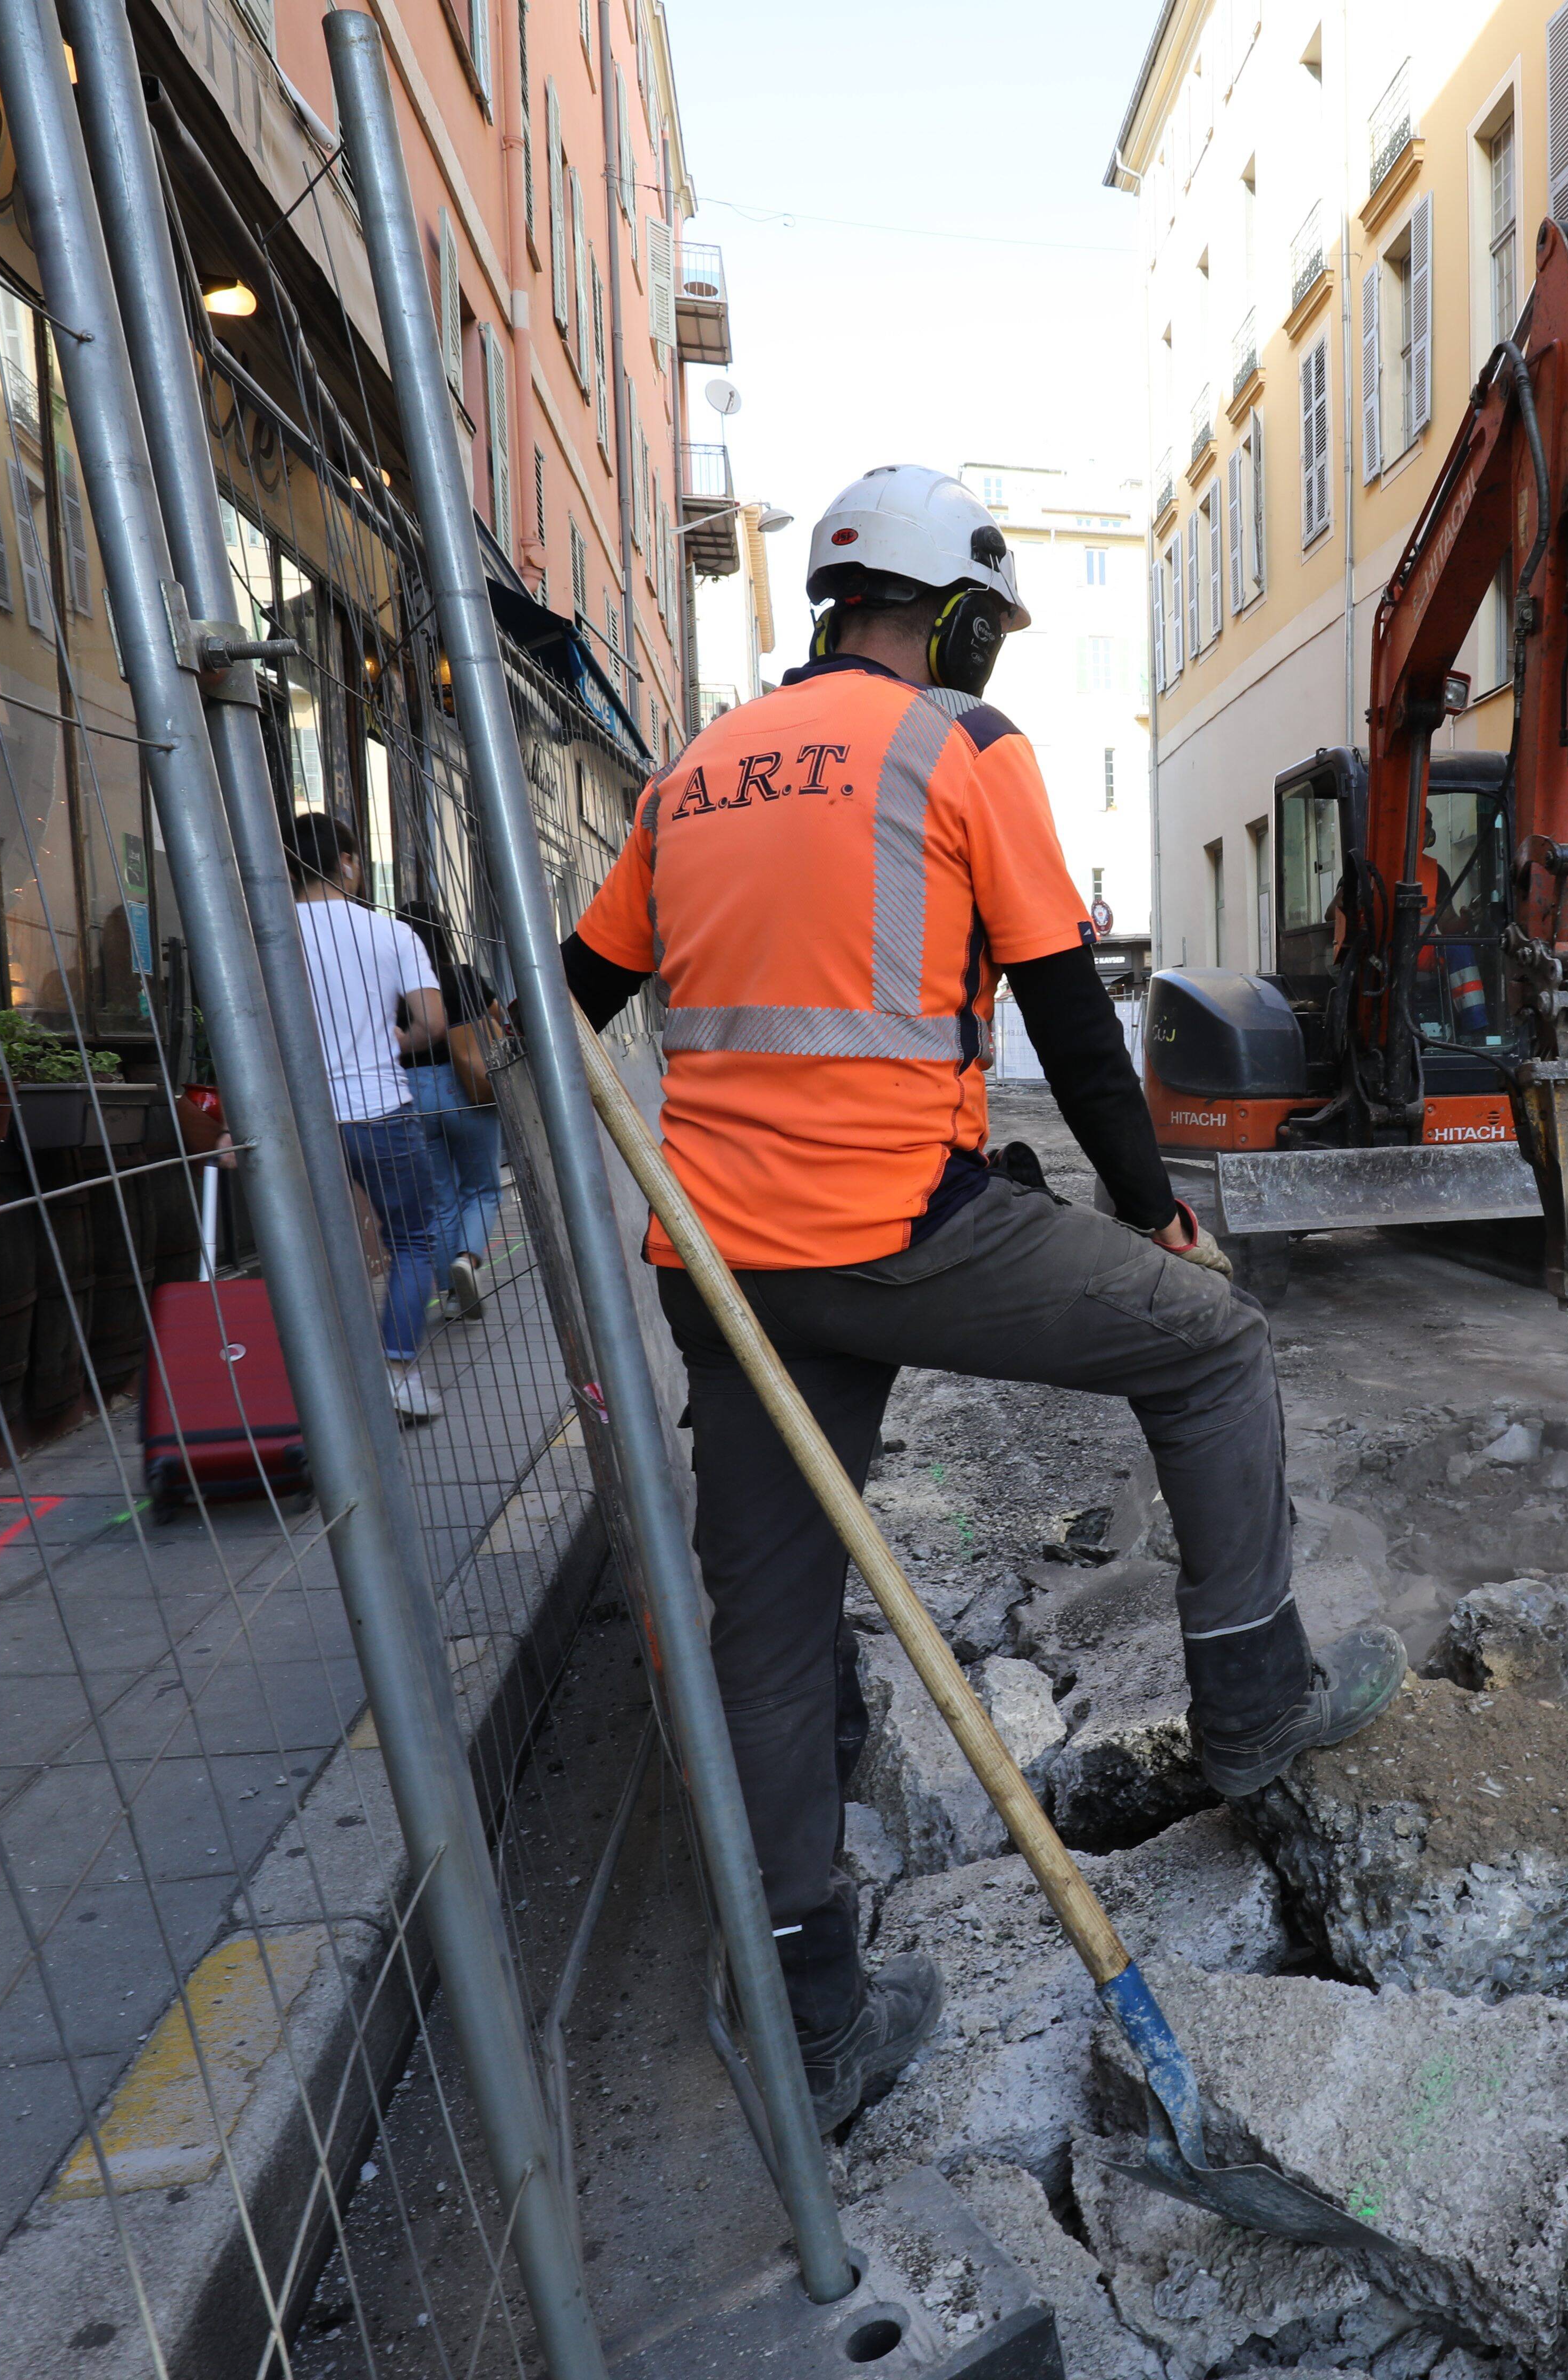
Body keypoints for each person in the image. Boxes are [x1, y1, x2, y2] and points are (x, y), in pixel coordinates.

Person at [560, 464, 1405, 2135]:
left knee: (776, 1627)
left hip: (725, 1278)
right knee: (1216, 1348)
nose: (990, 658)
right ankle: (1251, 1700)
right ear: (943, 614)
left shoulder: (686, 777)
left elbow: (576, 986)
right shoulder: (962, 751)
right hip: (903, 1233)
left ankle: (811, 2011)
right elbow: (1072, 1017)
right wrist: (1154, 1208)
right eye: (984, 627)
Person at [284, 811, 449, 1422]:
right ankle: (398, 1374)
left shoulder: (266, 933)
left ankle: (321, 1393)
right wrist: (389, 1043)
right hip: (381, 1110)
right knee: (413, 1239)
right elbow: (431, 1023)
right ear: (348, 863)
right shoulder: (390, 935)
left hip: (301, 1117)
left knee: (317, 1250)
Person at [397, 898, 507, 1323]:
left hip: (413, 1094)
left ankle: (451, 1295)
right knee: (481, 1188)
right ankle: (468, 1259)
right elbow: (500, 1018)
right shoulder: (463, 978)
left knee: (440, 1197)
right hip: (468, 1088)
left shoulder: (393, 987)